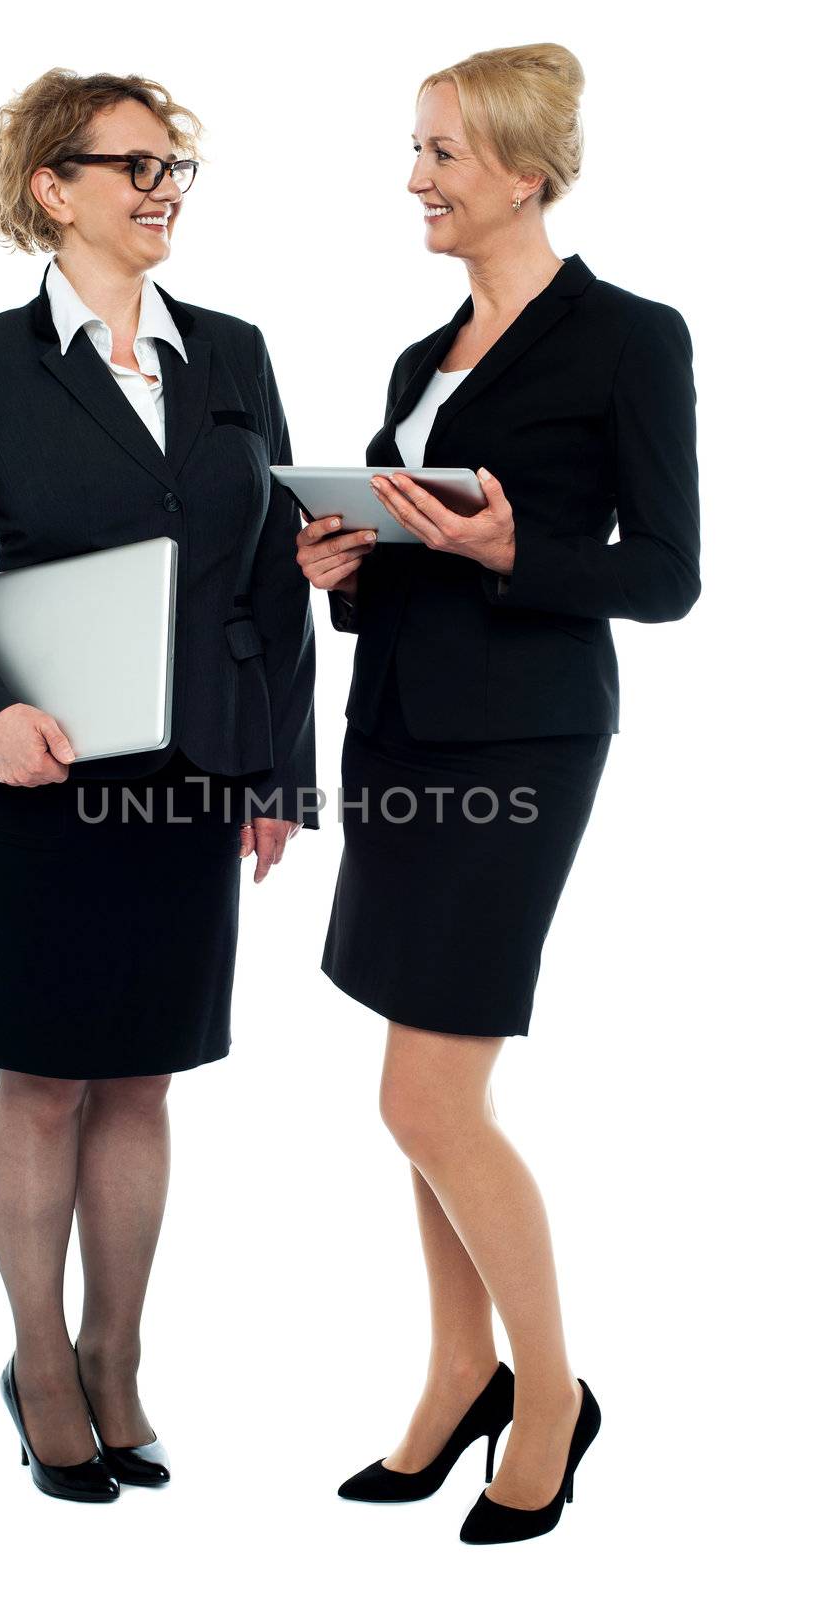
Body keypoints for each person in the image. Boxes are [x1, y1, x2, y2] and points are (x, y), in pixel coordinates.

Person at [0, 68, 316, 1503]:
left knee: (144, 1077)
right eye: (131, 165)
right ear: (53, 188)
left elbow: (269, 580)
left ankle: (117, 1360)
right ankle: (38, 1363)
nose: (162, 187)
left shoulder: (231, 354)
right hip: (37, 776)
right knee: (45, 1078)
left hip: (189, 773)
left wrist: (279, 776)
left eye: (175, 164)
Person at [297, 43, 699, 1544]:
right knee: (422, 1100)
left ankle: (549, 1394)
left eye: (441, 154)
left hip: (521, 746)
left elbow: (664, 576)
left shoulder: (625, 340)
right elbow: (409, 559)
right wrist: (347, 568)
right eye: (415, 149)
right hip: (400, 731)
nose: (415, 179)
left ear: (524, 173)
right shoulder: (422, 359)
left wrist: (504, 555)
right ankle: (457, 1365)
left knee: (424, 1094)